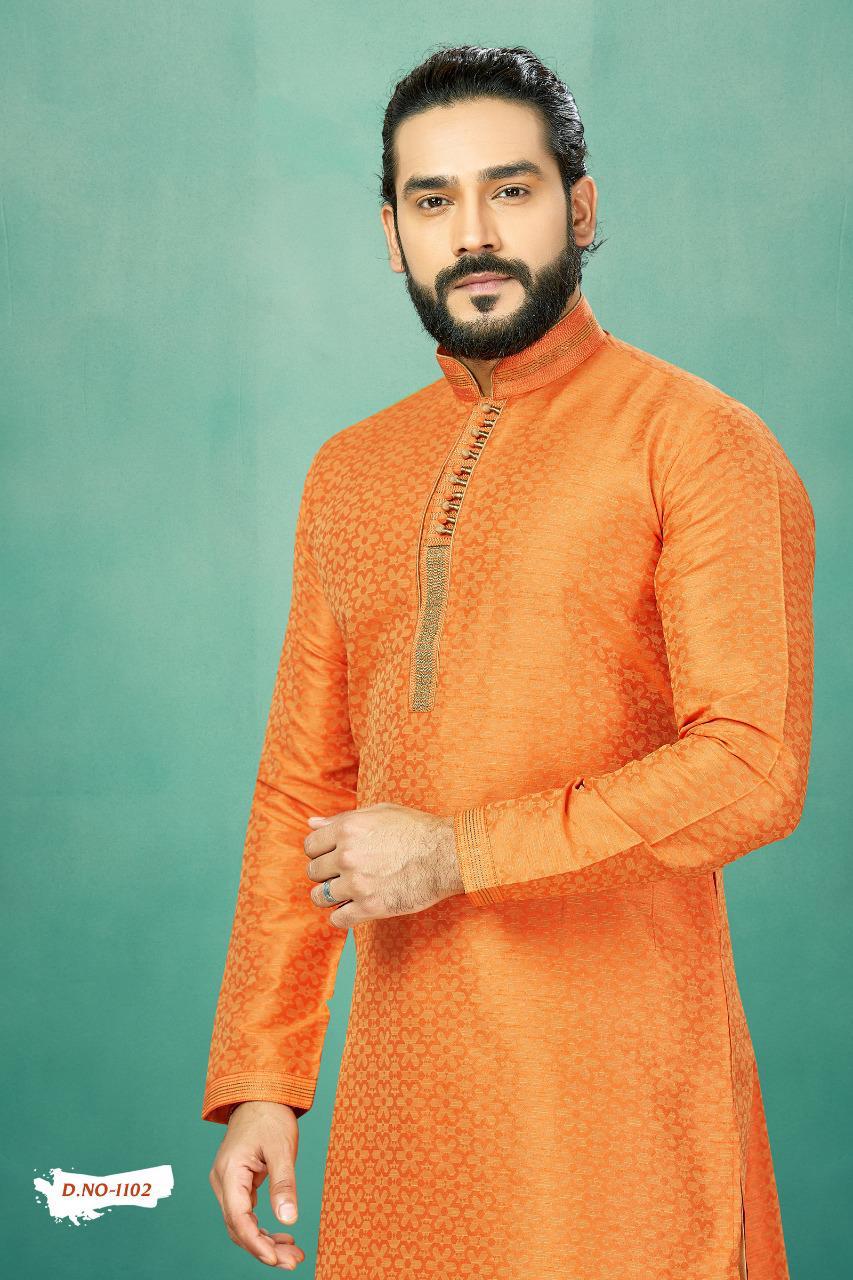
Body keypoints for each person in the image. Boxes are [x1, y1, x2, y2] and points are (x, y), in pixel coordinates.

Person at [203, 44, 813, 1280]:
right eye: (432, 200)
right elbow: (303, 785)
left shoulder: (694, 442)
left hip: (620, 1107)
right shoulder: (349, 471)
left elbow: (751, 768)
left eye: (510, 189)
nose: (472, 233)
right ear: (392, 234)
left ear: (579, 208)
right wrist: (265, 1073)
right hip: (402, 1105)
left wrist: (456, 852)